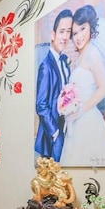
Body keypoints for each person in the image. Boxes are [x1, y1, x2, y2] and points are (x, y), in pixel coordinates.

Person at [60, 5, 105, 167]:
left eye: (83, 29)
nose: (78, 36)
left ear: (91, 28)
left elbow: (104, 87)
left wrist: (80, 110)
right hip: (77, 120)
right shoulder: (80, 57)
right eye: (75, 33)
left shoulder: (92, 54)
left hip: (87, 120)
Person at [34, 9, 73, 162]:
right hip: (54, 133)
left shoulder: (65, 62)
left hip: (67, 126)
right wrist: (55, 131)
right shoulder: (46, 66)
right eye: (62, 31)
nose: (65, 37)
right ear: (53, 34)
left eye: (68, 32)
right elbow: (41, 105)